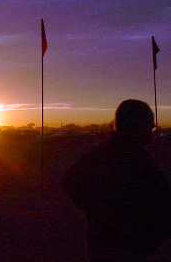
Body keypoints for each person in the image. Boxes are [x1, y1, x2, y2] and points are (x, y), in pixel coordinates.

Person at [63, 99, 171, 262]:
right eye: (149, 124)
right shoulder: (135, 160)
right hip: (124, 248)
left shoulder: (106, 154)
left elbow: (71, 181)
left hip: (110, 244)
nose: (152, 129)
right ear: (135, 126)